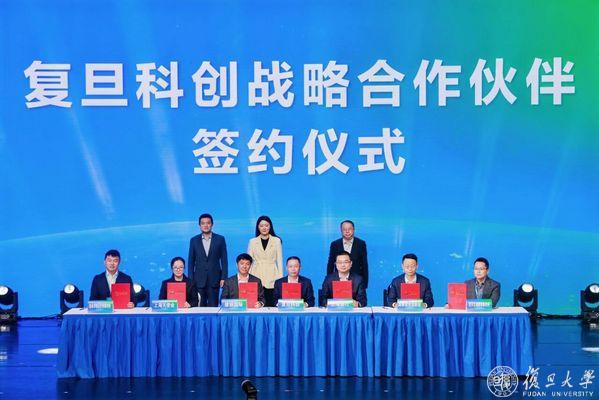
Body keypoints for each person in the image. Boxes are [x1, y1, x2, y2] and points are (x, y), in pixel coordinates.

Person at [188, 213, 228, 307]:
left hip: (215, 279)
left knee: (213, 307)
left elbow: (224, 260)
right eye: (203, 223)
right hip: (198, 280)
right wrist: (191, 280)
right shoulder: (194, 240)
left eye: (208, 223)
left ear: (212, 224)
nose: (205, 225)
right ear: (199, 225)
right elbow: (191, 261)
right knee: (199, 307)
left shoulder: (220, 239)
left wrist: (223, 278)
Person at [247, 216, 283, 307]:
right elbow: (248, 261)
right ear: (258, 227)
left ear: (270, 226)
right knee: (256, 304)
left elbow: (279, 261)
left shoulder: (277, 241)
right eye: (261, 225)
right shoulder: (252, 241)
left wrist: (281, 279)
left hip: (272, 275)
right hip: (256, 274)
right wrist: (248, 278)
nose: (264, 228)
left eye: (266, 225)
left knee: (271, 304)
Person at [326, 220, 369, 288]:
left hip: (356, 282)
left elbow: (364, 265)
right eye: (344, 229)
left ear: (354, 230)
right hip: (339, 281)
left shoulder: (361, 244)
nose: (347, 231)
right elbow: (330, 264)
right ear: (341, 230)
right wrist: (328, 281)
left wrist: (365, 284)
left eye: (349, 229)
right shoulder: (335, 244)